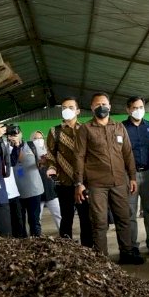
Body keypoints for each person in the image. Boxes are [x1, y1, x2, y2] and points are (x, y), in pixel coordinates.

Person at [75, 92, 145, 264]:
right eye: (98, 105)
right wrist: (79, 183)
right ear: (92, 108)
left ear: (110, 107)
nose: (102, 107)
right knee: (99, 222)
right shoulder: (85, 129)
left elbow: (127, 153)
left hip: (120, 181)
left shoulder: (119, 127)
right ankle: (102, 260)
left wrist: (132, 177)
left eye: (104, 104)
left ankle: (127, 253)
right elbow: (79, 156)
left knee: (124, 218)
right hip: (97, 184)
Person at [46, 97, 93, 247]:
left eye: (71, 107)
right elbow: (50, 154)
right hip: (64, 182)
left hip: (84, 182)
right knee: (66, 217)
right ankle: (67, 249)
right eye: (64, 107)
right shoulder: (54, 131)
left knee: (86, 217)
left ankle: (88, 248)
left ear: (78, 111)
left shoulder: (85, 129)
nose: (67, 110)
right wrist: (51, 167)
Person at [123, 96, 149, 256]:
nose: (138, 110)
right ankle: (133, 245)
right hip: (129, 176)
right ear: (128, 109)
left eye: (141, 107)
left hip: (148, 174)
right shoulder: (122, 128)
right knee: (130, 212)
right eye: (134, 108)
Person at [11, 128, 45, 237]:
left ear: (21, 134)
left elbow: (42, 160)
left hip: (33, 189)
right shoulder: (5, 147)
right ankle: (23, 247)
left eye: (17, 133)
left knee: (34, 221)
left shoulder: (31, 145)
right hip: (16, 191)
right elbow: (14, 160)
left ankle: (37, 244)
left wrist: (43, 161)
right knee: (19, 223)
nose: (14, 135)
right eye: (11, 134)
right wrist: (15, 145)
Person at [31, 130, 62, 231]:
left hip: (50, 190)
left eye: (40, 138)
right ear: (32, 140)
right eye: (36, 138)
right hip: (36, 192)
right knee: (36, 218)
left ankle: (65, 236)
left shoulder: (48, 152)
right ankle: (36, 237)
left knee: (59, 215)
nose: (38, 140)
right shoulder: (28, 153)